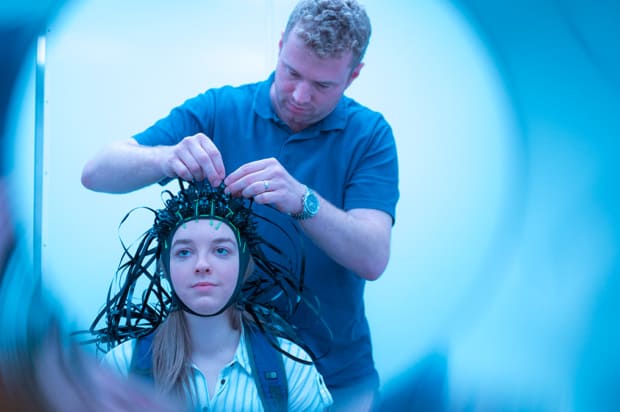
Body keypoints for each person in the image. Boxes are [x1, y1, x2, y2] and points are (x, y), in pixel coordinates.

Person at [81, 1, 399, 410]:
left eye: (322, 86)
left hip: (337, 371)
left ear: (353, 75)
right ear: (281, 45)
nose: (300, 96)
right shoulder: (218, 110)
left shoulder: (369, 135)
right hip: (222, 368)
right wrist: (164, 157)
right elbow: (96, 172)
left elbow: (373, 256)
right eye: (292, 73)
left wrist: (303, 201)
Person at [88, 179, 333, 411]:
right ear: (164, 267)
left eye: (221, 250)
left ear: (245, 266)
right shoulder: (121, 367)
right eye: (184, 252)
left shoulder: (292, 369)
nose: (202, 265)